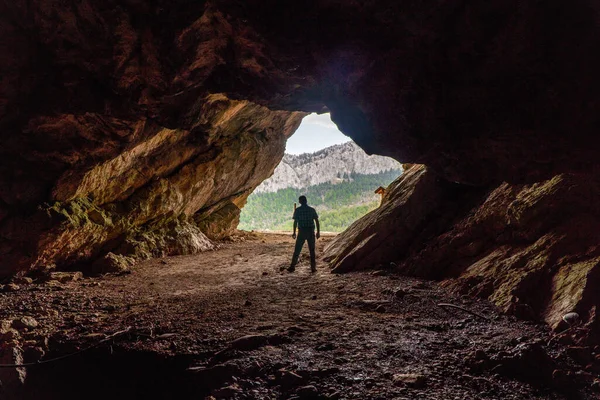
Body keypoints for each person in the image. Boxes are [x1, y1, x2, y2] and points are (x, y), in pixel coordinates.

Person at [289, 195, 320, 272]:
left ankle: (292, 266)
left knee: (297, 250)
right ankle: (313, 268)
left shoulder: (297, 210)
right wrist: (318, 232)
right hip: (310, 231)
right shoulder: (312, 210)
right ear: (306, 201)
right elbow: (316, 221)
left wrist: (294, 232)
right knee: (312, 251)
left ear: (300, 202)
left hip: (302, 232)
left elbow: (295, 222)